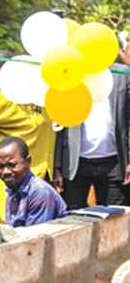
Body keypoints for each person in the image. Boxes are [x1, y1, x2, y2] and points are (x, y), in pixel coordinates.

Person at [0, 50, 56, 223]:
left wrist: (53, 169)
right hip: (6, 172)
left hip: (35, 173)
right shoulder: (12, 94)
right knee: (7, 227)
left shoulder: (48, 96)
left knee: (33, 228)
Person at [54, 63, 130, 209]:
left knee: (115, 220)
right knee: (73, 218)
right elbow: (58, 124)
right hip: (75, 165)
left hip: (114, 163)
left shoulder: (122, 75)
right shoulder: (69, 74)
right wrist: (57, 166)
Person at [0, 137, 66, 227]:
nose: (5, 171)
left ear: (28, 161)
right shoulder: (13, 190)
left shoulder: (40, 193)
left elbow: (36, 238)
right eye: (0, 166)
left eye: (12, 165)